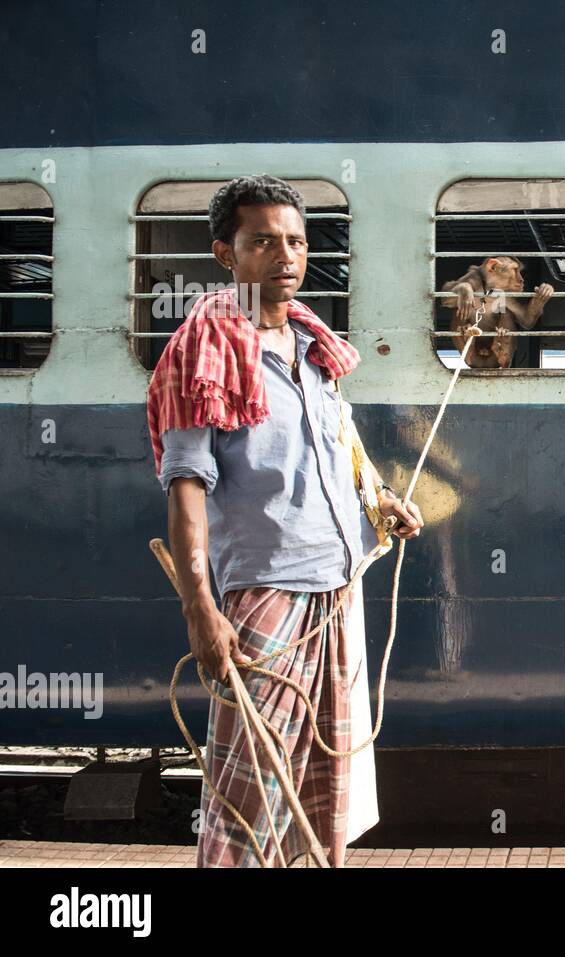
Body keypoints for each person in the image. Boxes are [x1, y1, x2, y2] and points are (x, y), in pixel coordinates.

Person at [145, 174, 424, 867]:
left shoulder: (311, 347)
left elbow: (341, 447)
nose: (286, 255)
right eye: (263, 241)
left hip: (336, 584)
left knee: (319, 789)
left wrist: (381, 497)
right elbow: (184, 485)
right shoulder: (202, 349)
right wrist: (200, 610)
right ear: (224, 253)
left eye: (296, 240)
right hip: (266, 590)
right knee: (248, 794)